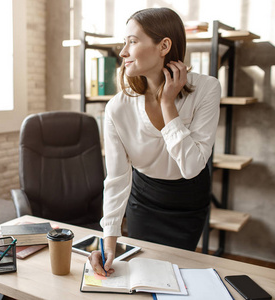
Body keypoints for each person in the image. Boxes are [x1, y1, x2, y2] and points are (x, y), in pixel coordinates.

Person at [88, 7, 221, 276]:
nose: (123, 51)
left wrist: (167, 103)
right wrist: (108, 242)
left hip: (188, 201)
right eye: (123, 42)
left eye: (132, 41)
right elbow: (117, 179)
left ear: (164, 46)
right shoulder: (117, 108)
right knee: (145, 274)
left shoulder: (207, 89)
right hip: (144, 201)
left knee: (177, 276)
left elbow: (192, 166)